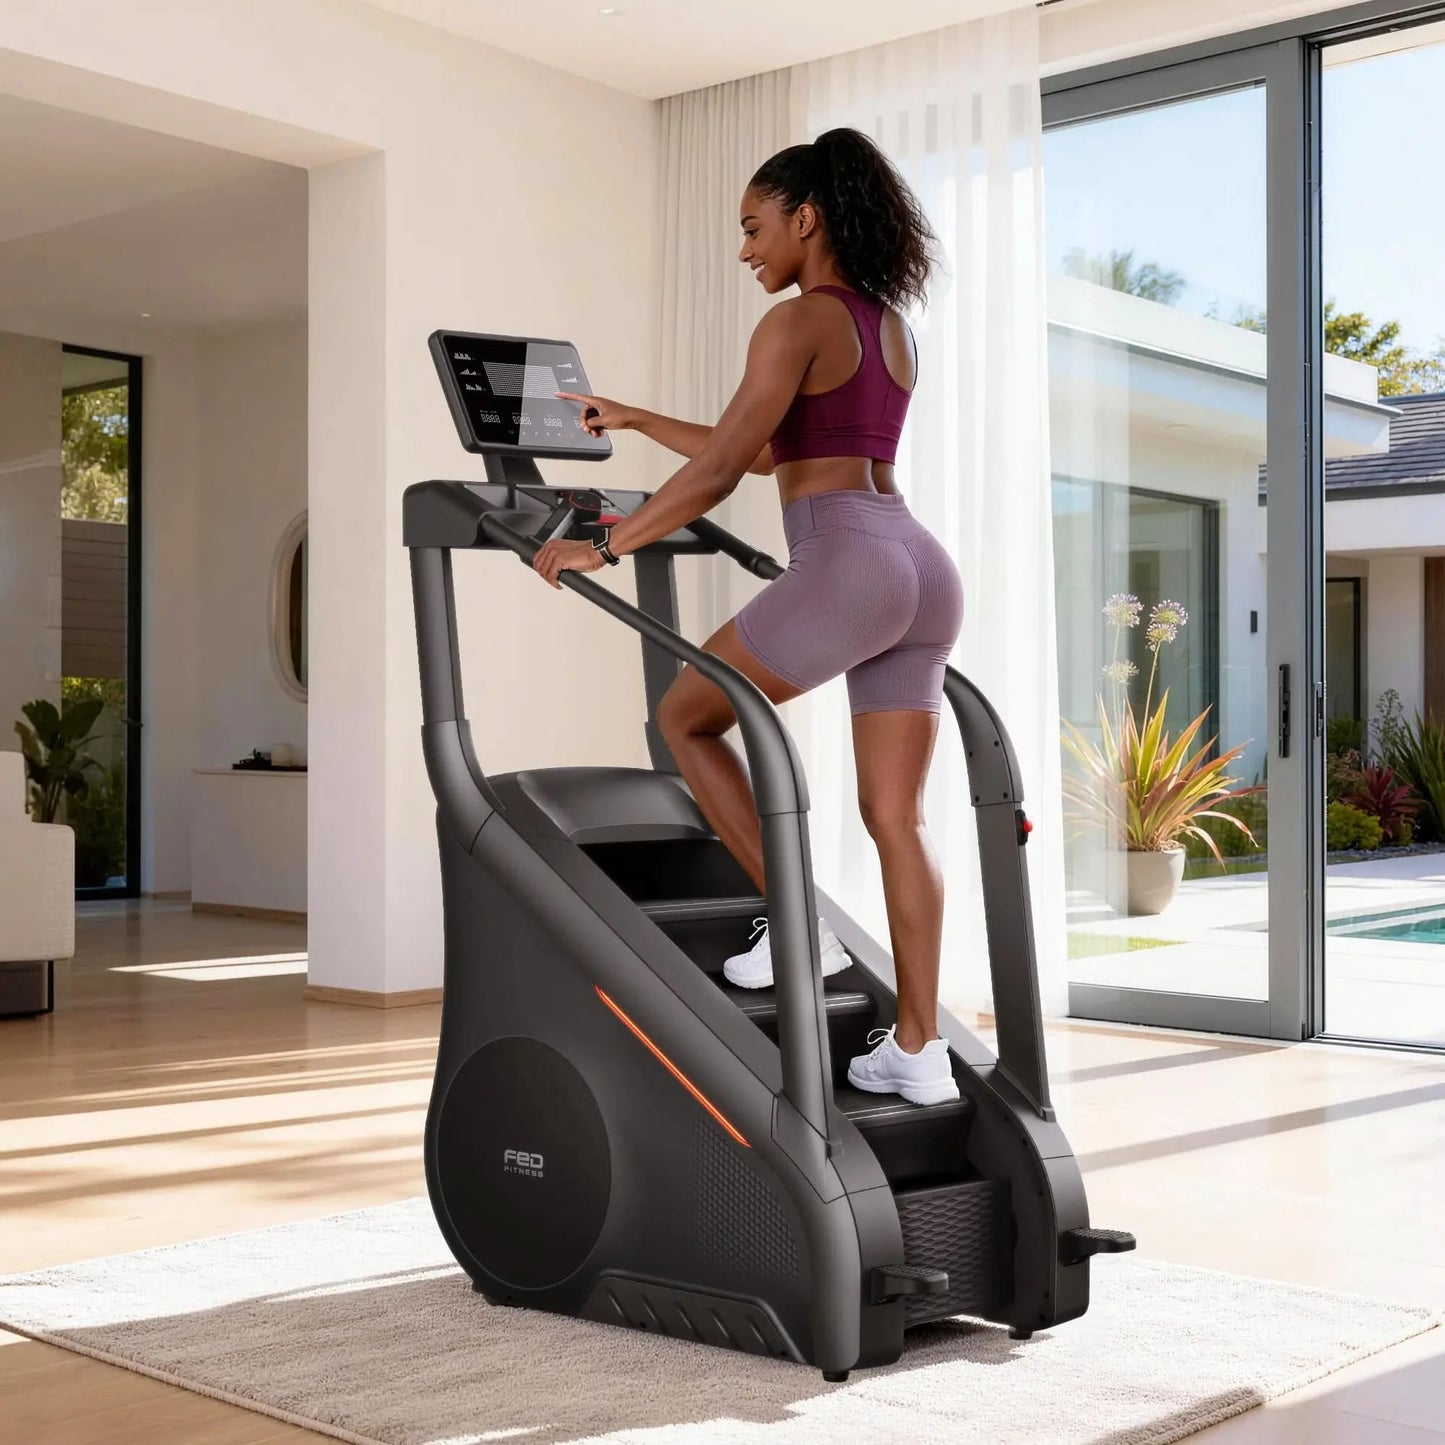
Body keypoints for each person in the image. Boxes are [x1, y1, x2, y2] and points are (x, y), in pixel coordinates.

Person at [533, 127, 964, 1106]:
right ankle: (918, 1047)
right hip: (918, 564)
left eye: (752, 227)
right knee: (897, 815)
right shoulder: (885, 323)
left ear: (803, 218)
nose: (743, 251)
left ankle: (793, 924)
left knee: (686, 716)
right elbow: (771, 450)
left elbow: (726, 470)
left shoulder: (793, 321)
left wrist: (604, 544)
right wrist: (638, 418)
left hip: (849, 557)